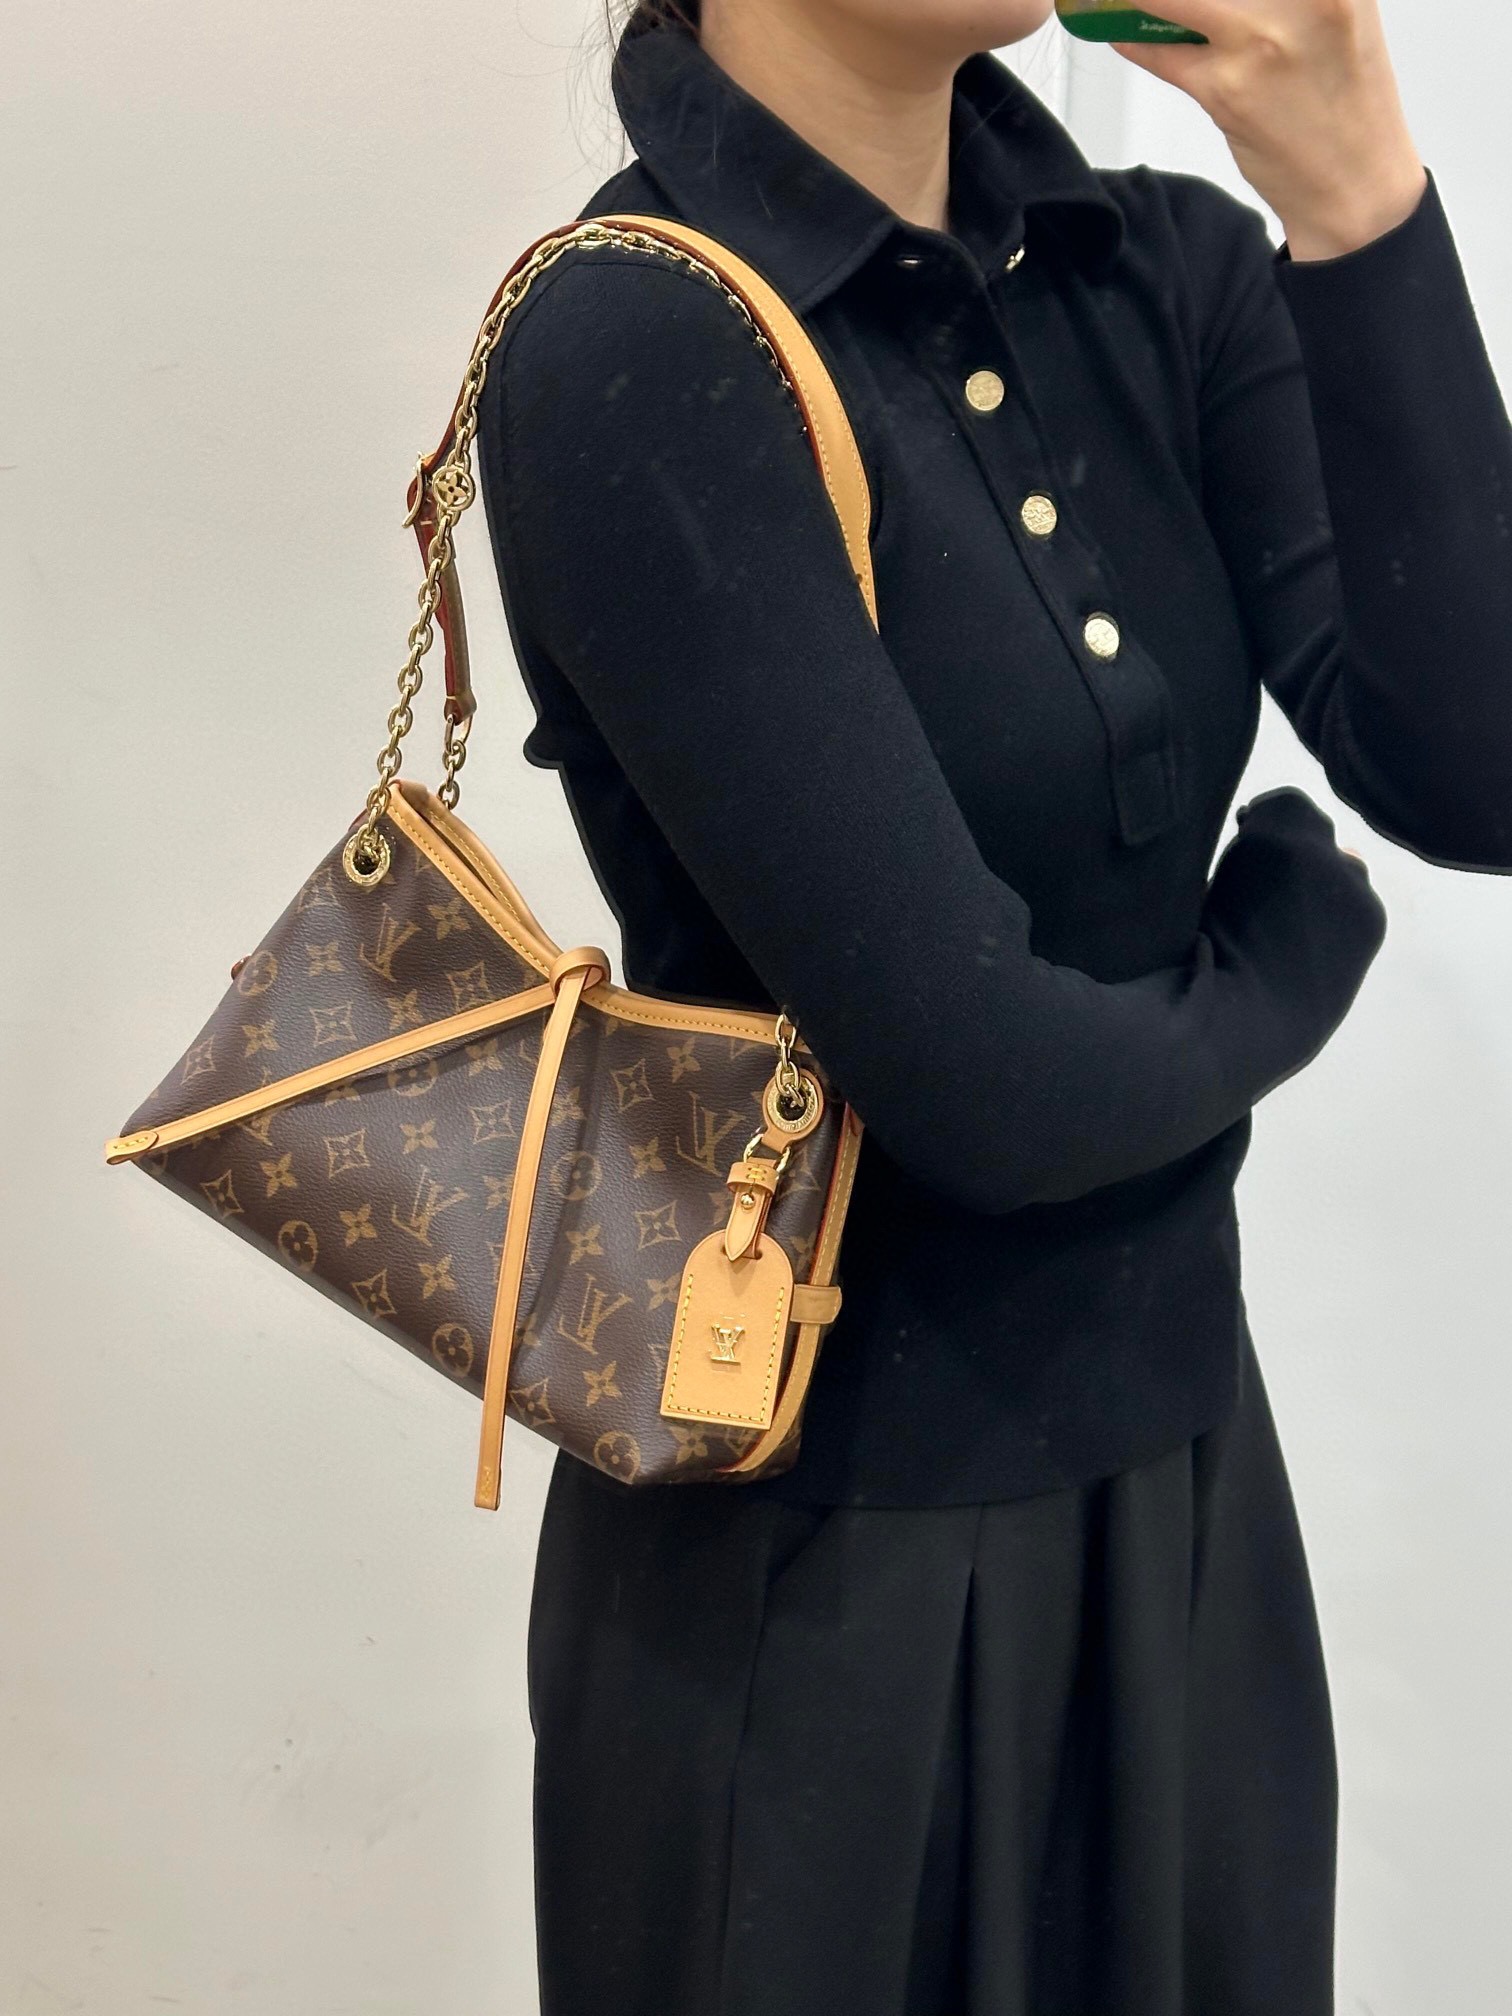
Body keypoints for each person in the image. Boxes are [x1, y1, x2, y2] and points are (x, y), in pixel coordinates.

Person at [473, 1, 1512, 2009]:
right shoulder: (639, 340)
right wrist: (1292, 951)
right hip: (816, 1594)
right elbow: (989, 1094)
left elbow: (1477, 768)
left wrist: (1360, 199)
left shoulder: (1160, 272)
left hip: (1184, 1508)